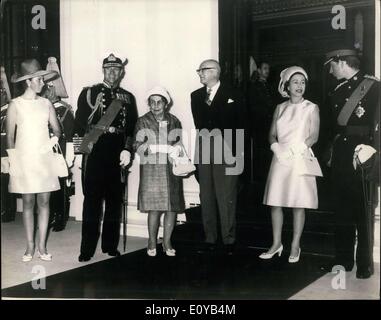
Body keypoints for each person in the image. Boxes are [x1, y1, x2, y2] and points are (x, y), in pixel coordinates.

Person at [74, 53, 138, 262]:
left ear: (122, 72)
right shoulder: (89, 93)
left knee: (114, 201)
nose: (112, 72)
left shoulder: (128, 97)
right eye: (108, 69)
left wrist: (128, 149)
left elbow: (132, 128)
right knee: (91, 201)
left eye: (116, 69)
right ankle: (86, 249)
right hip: (95, 150)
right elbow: (79, 123)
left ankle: (110, 245)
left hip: (117, 150)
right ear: (103, 70)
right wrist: (77, 152)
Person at [322, 49, 380, 279]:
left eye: (332, 65)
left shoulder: (374, 88)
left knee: (363, 211)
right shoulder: (336, 90)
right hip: (342, 156)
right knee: (342, 210)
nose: (330, 70)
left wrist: (374, 151)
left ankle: (364, 263)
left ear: (342, 62)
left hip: (363, 154)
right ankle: (343, 259)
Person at [260, 66, 320, 263]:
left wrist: (295, 151)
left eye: (302, 82)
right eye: (295, 82)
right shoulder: (280, 107)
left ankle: (295, 245)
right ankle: (276, 243)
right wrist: (277, 149)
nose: (299, 86)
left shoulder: (311, 107)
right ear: (286, 85)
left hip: (300, 156)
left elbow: (314, 136)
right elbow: (271, 134)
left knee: (298, 203)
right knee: (275, 202)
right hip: (280, 157)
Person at [6, 59, 62, 262]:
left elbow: (57, 129)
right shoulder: (16, 105)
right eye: (39, 79)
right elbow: (10, 137)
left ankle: (42, 246)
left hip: (44, 158)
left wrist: (51, 142)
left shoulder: (46, 103)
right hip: (24, 158)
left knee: (44, 201)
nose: (43, 83)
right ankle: (29, 246)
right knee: (28, 201)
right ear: (29, 81)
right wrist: (14, 163)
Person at [191, 59, 246, 255]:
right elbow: (199, 127)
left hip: (228, 149)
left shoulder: (234, 94)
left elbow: (242, 126)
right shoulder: (196, 96)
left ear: (215, 71)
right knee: (205, 195)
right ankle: (210, 239)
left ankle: (229, 240)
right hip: (205, 150)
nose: (199, 73)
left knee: (226, 196)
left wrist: (237, 155)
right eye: (199, 70)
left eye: (203, 69)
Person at [134, 86, 185, 257]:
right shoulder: (142, 121)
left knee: (171, 208)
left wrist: (177, 151)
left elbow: (178, 143)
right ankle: (151, 241)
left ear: (165, 103)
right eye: (152, 102)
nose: (156, 106)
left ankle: (167, 241)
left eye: (159, 102)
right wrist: (156, 147)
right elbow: (136, 145)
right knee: (154, 208)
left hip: (171, 168)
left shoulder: (174, 120)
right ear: (148, 104)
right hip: (151, 169)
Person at [42, 57, 75, 232]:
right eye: (47, 88)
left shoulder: (64, 109)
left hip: (60, 151)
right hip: (44, 152)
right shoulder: (41, 107)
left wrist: (69, 156)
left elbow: (69, 135)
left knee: (61, 186)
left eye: (52, 88)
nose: (49, 92)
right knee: (46, 185)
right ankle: (49, 216)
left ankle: (60, 217)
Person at [248, 61, 275, 185]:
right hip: (260, 126)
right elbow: (253, 107)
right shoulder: (254, 86)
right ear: (258, 70)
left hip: (270, 125)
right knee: (261, 154)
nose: (267, 71)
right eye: (264, 68)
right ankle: (261, 179)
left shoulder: (269, 86)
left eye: (268, 68)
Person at [1, 65, 17, 223]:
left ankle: (9, 211)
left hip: (5, 150)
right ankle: (3, 209)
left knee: (6, 181)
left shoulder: (8, 110)